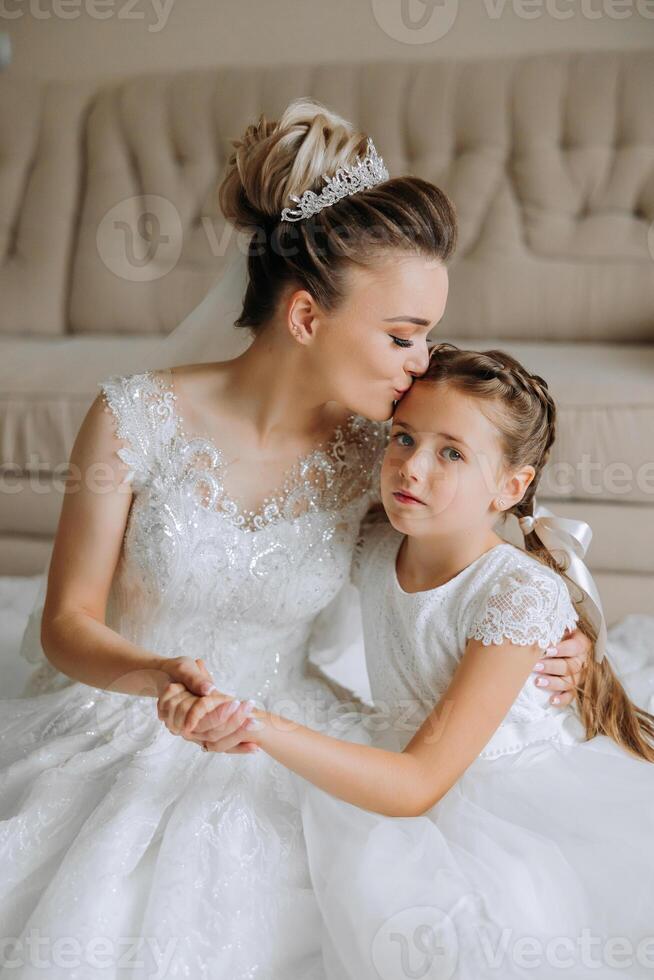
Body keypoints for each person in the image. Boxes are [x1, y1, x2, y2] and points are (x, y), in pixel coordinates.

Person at [1, 99, 589, 979]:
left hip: (290, 715)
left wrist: (561, 633)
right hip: (121, 710)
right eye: (403, 335)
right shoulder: (134, 416)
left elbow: (473, 546)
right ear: (308, 318)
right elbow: (66, 623)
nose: (422, 363)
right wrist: (153, 673)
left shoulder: (379, 453)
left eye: (426, 335)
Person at [178, 344, 654, 980]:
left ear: (512, 486)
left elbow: (417, 784)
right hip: (397, 757)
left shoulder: (514, 595)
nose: (411, 468)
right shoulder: (380, 541)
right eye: (403, 438)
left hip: (487, 802)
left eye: (451, 453)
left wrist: (258, 724)